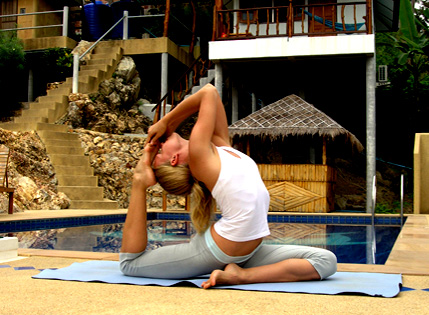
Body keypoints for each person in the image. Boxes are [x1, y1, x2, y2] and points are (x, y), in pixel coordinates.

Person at [120, 84, 337, 288]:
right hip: (218, 250)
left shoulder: (219, 148)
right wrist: (166, 123)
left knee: (325, 261)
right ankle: (139, 183)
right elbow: (208, 92)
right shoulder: (198, 155)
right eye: (158, 152)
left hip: (243, 251)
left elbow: (212, 95)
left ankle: (241, 275)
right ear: (174, 159)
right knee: (130, 265)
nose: (157, 144)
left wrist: (167, 124)